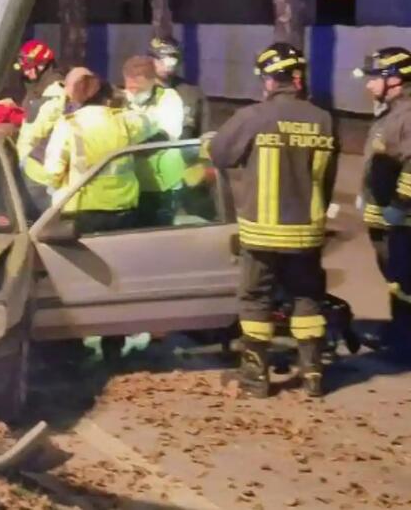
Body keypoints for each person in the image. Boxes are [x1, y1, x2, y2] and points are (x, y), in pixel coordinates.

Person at [208, 43, 338, 398]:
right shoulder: (323, 119)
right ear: (298, 78)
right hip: (307, 233)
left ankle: (256, 379)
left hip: (261, 234)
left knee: (255, 301)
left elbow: (219, 153)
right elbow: (327, 179)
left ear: (269, 80)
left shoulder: (254, 117)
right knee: (308, 300)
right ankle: (313, 376)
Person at [43, 68, 156, 234]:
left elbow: (52, 172)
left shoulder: (68, 124)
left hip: (82, 210)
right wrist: (126, 102)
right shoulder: (123, 119)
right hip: (123, 208)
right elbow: (151, 124)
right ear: (106, 96)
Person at [353, 47, 411, 360]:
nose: (369, 85)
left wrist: (400, 207)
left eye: (375, 77)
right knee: (397, 283)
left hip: (403, 223)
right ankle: (399, 335)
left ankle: (404, 345)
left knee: (405, 285)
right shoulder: (390, 113)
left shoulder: (408, 115)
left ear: (396, 80)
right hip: (389, 222)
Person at [122, 55, 186, 227]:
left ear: (152, 81)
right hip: (133, 185)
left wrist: (132, 149)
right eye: (130, 87)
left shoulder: (168, 98)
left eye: (139, 88)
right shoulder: (120, 101)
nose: (133, 92)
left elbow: (168, 133)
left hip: (164, 186)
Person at [11, 40, 66, 219]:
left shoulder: (54, 94)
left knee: (36, 219)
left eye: (29, 67)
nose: (26, 72)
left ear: (43, 65)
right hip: (30, 164)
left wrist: (21, 162)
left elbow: (35, 132)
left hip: (39, 171)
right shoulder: (38, 89)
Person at [150, 36, 210, 138]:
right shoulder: (140, 90)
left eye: (172, 57)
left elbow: (205, 135)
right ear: (150, 60)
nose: (167, 62)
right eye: (160, 57)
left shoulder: (193, 94)